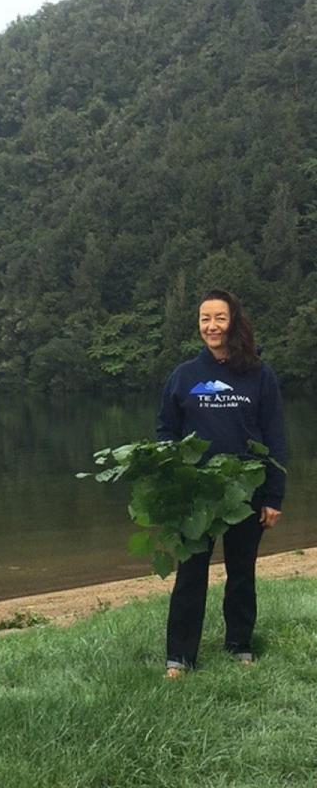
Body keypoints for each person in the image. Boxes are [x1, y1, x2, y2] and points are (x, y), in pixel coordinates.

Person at [157, 288, 286, 678]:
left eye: (219, 318)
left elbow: (276, 437)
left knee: (241, 571)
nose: (211, 326)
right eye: (204, 319)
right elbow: (166, 431)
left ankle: (240, 644)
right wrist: (171, 480)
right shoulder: (184, 376)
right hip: (196, 495)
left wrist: (274, 496)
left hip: (246, 490)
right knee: (190, 574)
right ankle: (180, 657)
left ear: (234, 322)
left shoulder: (259, 375)